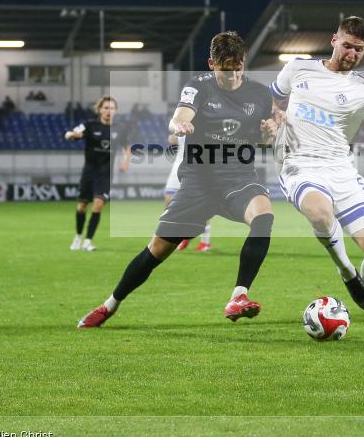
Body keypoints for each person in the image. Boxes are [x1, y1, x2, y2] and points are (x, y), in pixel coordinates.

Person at [77, 31, 280, 328]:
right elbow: (180, 115)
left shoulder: (260, 95)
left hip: (238, 179)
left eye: (238, 67)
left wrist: (268, 134)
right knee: (156, 251)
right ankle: (110, 305)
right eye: (226, 69)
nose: (233, 74)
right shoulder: (198, 86)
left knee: (264, 216)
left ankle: (239, 295)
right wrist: (179, 124)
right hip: (199, 183)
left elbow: (261, 138)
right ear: (212, 64)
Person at [270, 16, 364, 323]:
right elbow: (273, 97)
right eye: (348, 46)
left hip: (341, 171)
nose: (352, 54)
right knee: (320, 213)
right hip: (299, 164)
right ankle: (349, 276)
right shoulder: (298, 67)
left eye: (359, 50)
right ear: (334, 40)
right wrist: (274, 115)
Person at [65, 95, 129, 252]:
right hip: (89, 172)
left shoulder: (119, 128)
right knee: (81, 207)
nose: (109, 111)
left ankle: (88, 241)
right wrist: (73, 135)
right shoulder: (89, 125)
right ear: (100, 109)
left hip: (105, 174)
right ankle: (78, 236)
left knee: (98, 205)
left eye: (112, 108)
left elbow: (127, 147)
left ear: (116, 111)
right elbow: (68, 134)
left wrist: (125, 161)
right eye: (106, 108)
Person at [163, 133, 213, 251]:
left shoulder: (208, 129)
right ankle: (181, 236)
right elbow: (171, 138)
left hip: (198, 170)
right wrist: (176, 136)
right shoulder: (186, 124)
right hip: (178, 168)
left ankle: (205, 243)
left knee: (201, 207)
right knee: (169, 202)